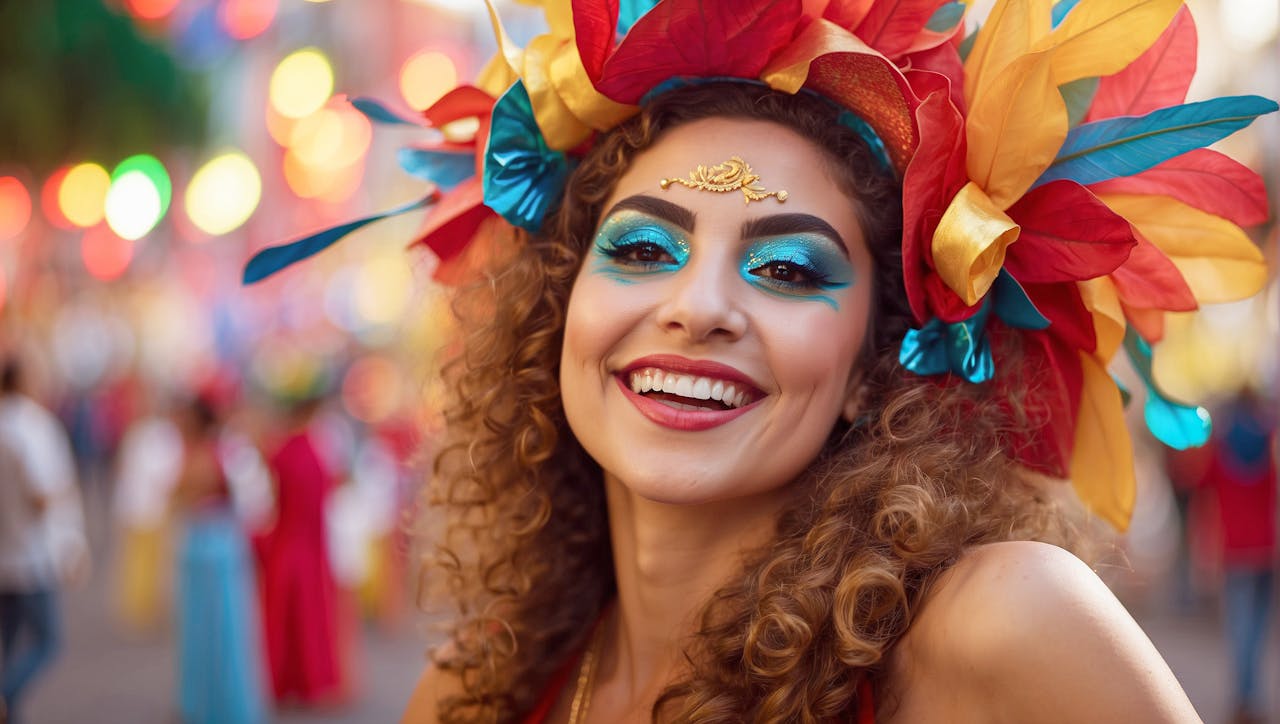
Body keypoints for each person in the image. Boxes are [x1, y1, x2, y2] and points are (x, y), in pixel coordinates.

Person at [245, 1, 1273, 720]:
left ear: (878, 361)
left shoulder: (1002, 626)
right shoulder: (470, 692)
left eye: (786, 270)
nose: (697, 309)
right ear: (558, 307)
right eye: (643, 250)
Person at [170, 392, 267, 724]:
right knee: (207, 629)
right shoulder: (212, 452)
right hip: (207, 545)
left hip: (214, 546)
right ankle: (203, 703)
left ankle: (216, 705)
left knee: (219, 629)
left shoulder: (219, 454)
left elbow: (181, 493)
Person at [0, 354, 86, 724]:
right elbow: (42, 494)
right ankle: (6, 698)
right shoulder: (31, 426)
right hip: (30, 556)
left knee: (9, 642)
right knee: (47, 642)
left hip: (6, 556)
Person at [259, 396, 347, 707]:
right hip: (312, 543)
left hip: (287, 542)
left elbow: (270, 500)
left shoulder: (281, 451)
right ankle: (313, 681)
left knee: (286, 616)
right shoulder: (317, 451)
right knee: (312, 615)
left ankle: (284, 681)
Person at [1203, 390, 1277, 724]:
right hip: (1265, 549)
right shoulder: (1270, 440)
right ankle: (1250, 697)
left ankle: (1242, 700)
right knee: (1258, 629)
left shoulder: (1220, 446)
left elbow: (1203, 485)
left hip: (1233, 550)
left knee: (1239, 627)